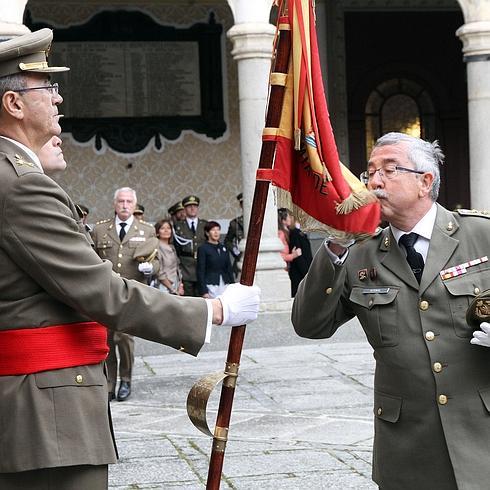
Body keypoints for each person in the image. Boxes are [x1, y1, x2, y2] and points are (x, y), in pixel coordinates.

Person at [0, 28, 260, 490]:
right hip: (40, 410)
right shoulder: (21, 184)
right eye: (49, 88)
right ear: (14, 104)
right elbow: (98, 290)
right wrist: (212, 310)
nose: (59, 100)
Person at [292, 131, 490, 490]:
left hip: (481, 431)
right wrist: (335, 243)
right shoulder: (361, 253)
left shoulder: (480, 235)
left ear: (424, 182)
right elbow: (310, 325)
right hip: (409, 446)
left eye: (389, 169)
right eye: (370, 172)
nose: (374, 181)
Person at [92, 187, 158, 402]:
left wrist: (151, 268)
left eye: (129, 201)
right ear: (114, 204)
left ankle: (126, 380)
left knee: (125, 337)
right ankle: (110, 383)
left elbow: (155, 260)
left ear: (135, 205)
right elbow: (91, 258)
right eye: (121, 201)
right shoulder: (101, 230)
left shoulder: (146, 230)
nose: (124, 205)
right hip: (107, 293)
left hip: (131, 293)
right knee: (107, 339)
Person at [174, 195, 208, 296]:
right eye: (189, 206)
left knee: (203, 299)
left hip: (203, 266)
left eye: (195, 206)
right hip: (186, 267)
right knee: (188, 299)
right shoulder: (178, 226)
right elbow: (176, 247)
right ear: (184, 209)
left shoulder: (205, 224)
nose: (192, 208)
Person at [197, 221, 235, 298]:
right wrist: (204, 291)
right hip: (211, 284)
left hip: (225, 283)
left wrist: (233, 285)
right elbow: (200, 270)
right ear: (207, 233)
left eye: (218, 230)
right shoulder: (203, 248)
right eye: (213, 230)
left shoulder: (223, 247)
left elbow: (229, 268)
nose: (216, 232)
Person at [154, 218, 183, 295]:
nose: (166, 230)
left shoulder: (172, 247)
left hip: (175, 284)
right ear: (157, 232)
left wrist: (180, 285)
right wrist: (171, 289)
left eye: (168, 228)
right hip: (163, 286)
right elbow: (159, 271)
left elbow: (177, 267)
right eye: (162, 228)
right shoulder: (156, 247)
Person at [288, 219, 313, 297]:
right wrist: (307, 273)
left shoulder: (299, 233)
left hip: (304, 271)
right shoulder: (295, 234)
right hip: (300, 274)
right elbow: (299, 257)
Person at [224, 192, 244, 279]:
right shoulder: (235, 223)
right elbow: (227, 241)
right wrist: (235, 251)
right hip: (241, 258)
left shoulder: (259, 220)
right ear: (241, 205)